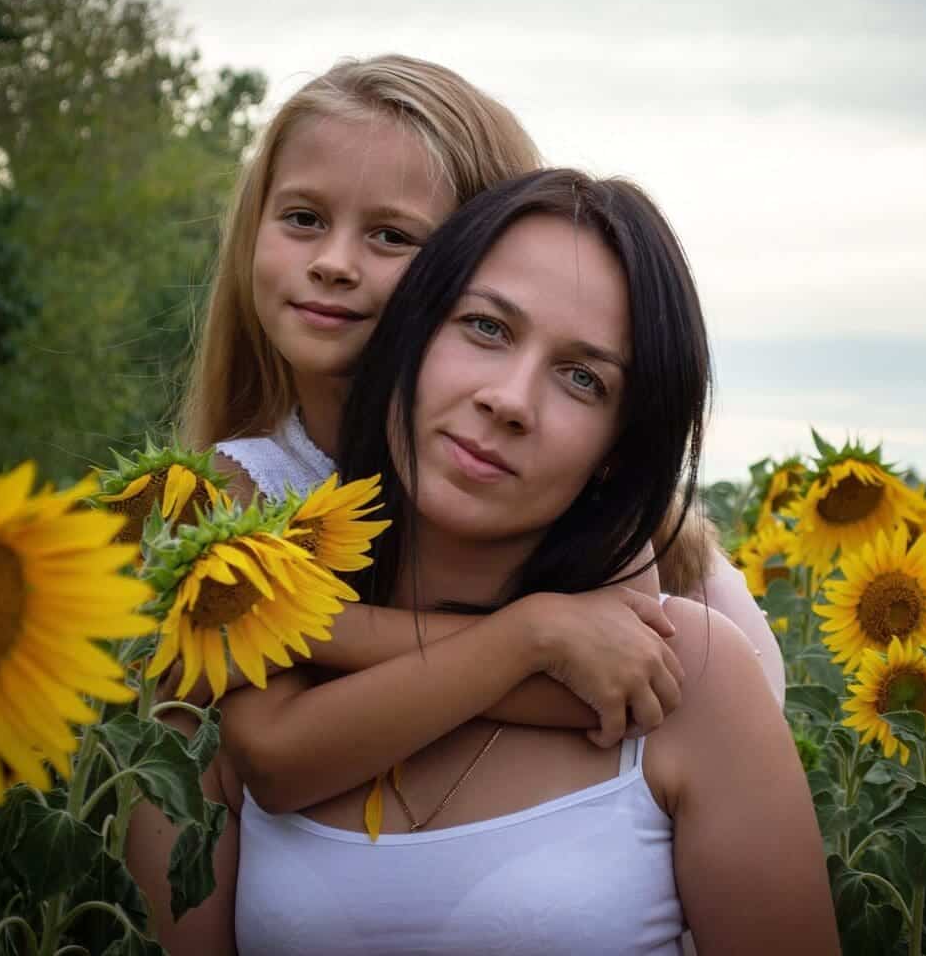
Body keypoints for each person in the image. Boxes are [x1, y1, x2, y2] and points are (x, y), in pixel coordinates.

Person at [137, 169, 838, 953]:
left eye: (583, 379)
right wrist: (527, 636)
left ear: (619, 447)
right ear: (409, 339)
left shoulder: (688, 672)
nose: (509, 400)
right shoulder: (236, 658)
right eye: (485, 328)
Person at [175, 53, 784, 714]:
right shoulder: (244, 486)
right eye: (303, 219)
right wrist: (532, 638)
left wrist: (284, 630)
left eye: (391, 235)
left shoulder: (578, 516)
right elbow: (225, 694)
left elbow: (627, 703)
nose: (333, 263)